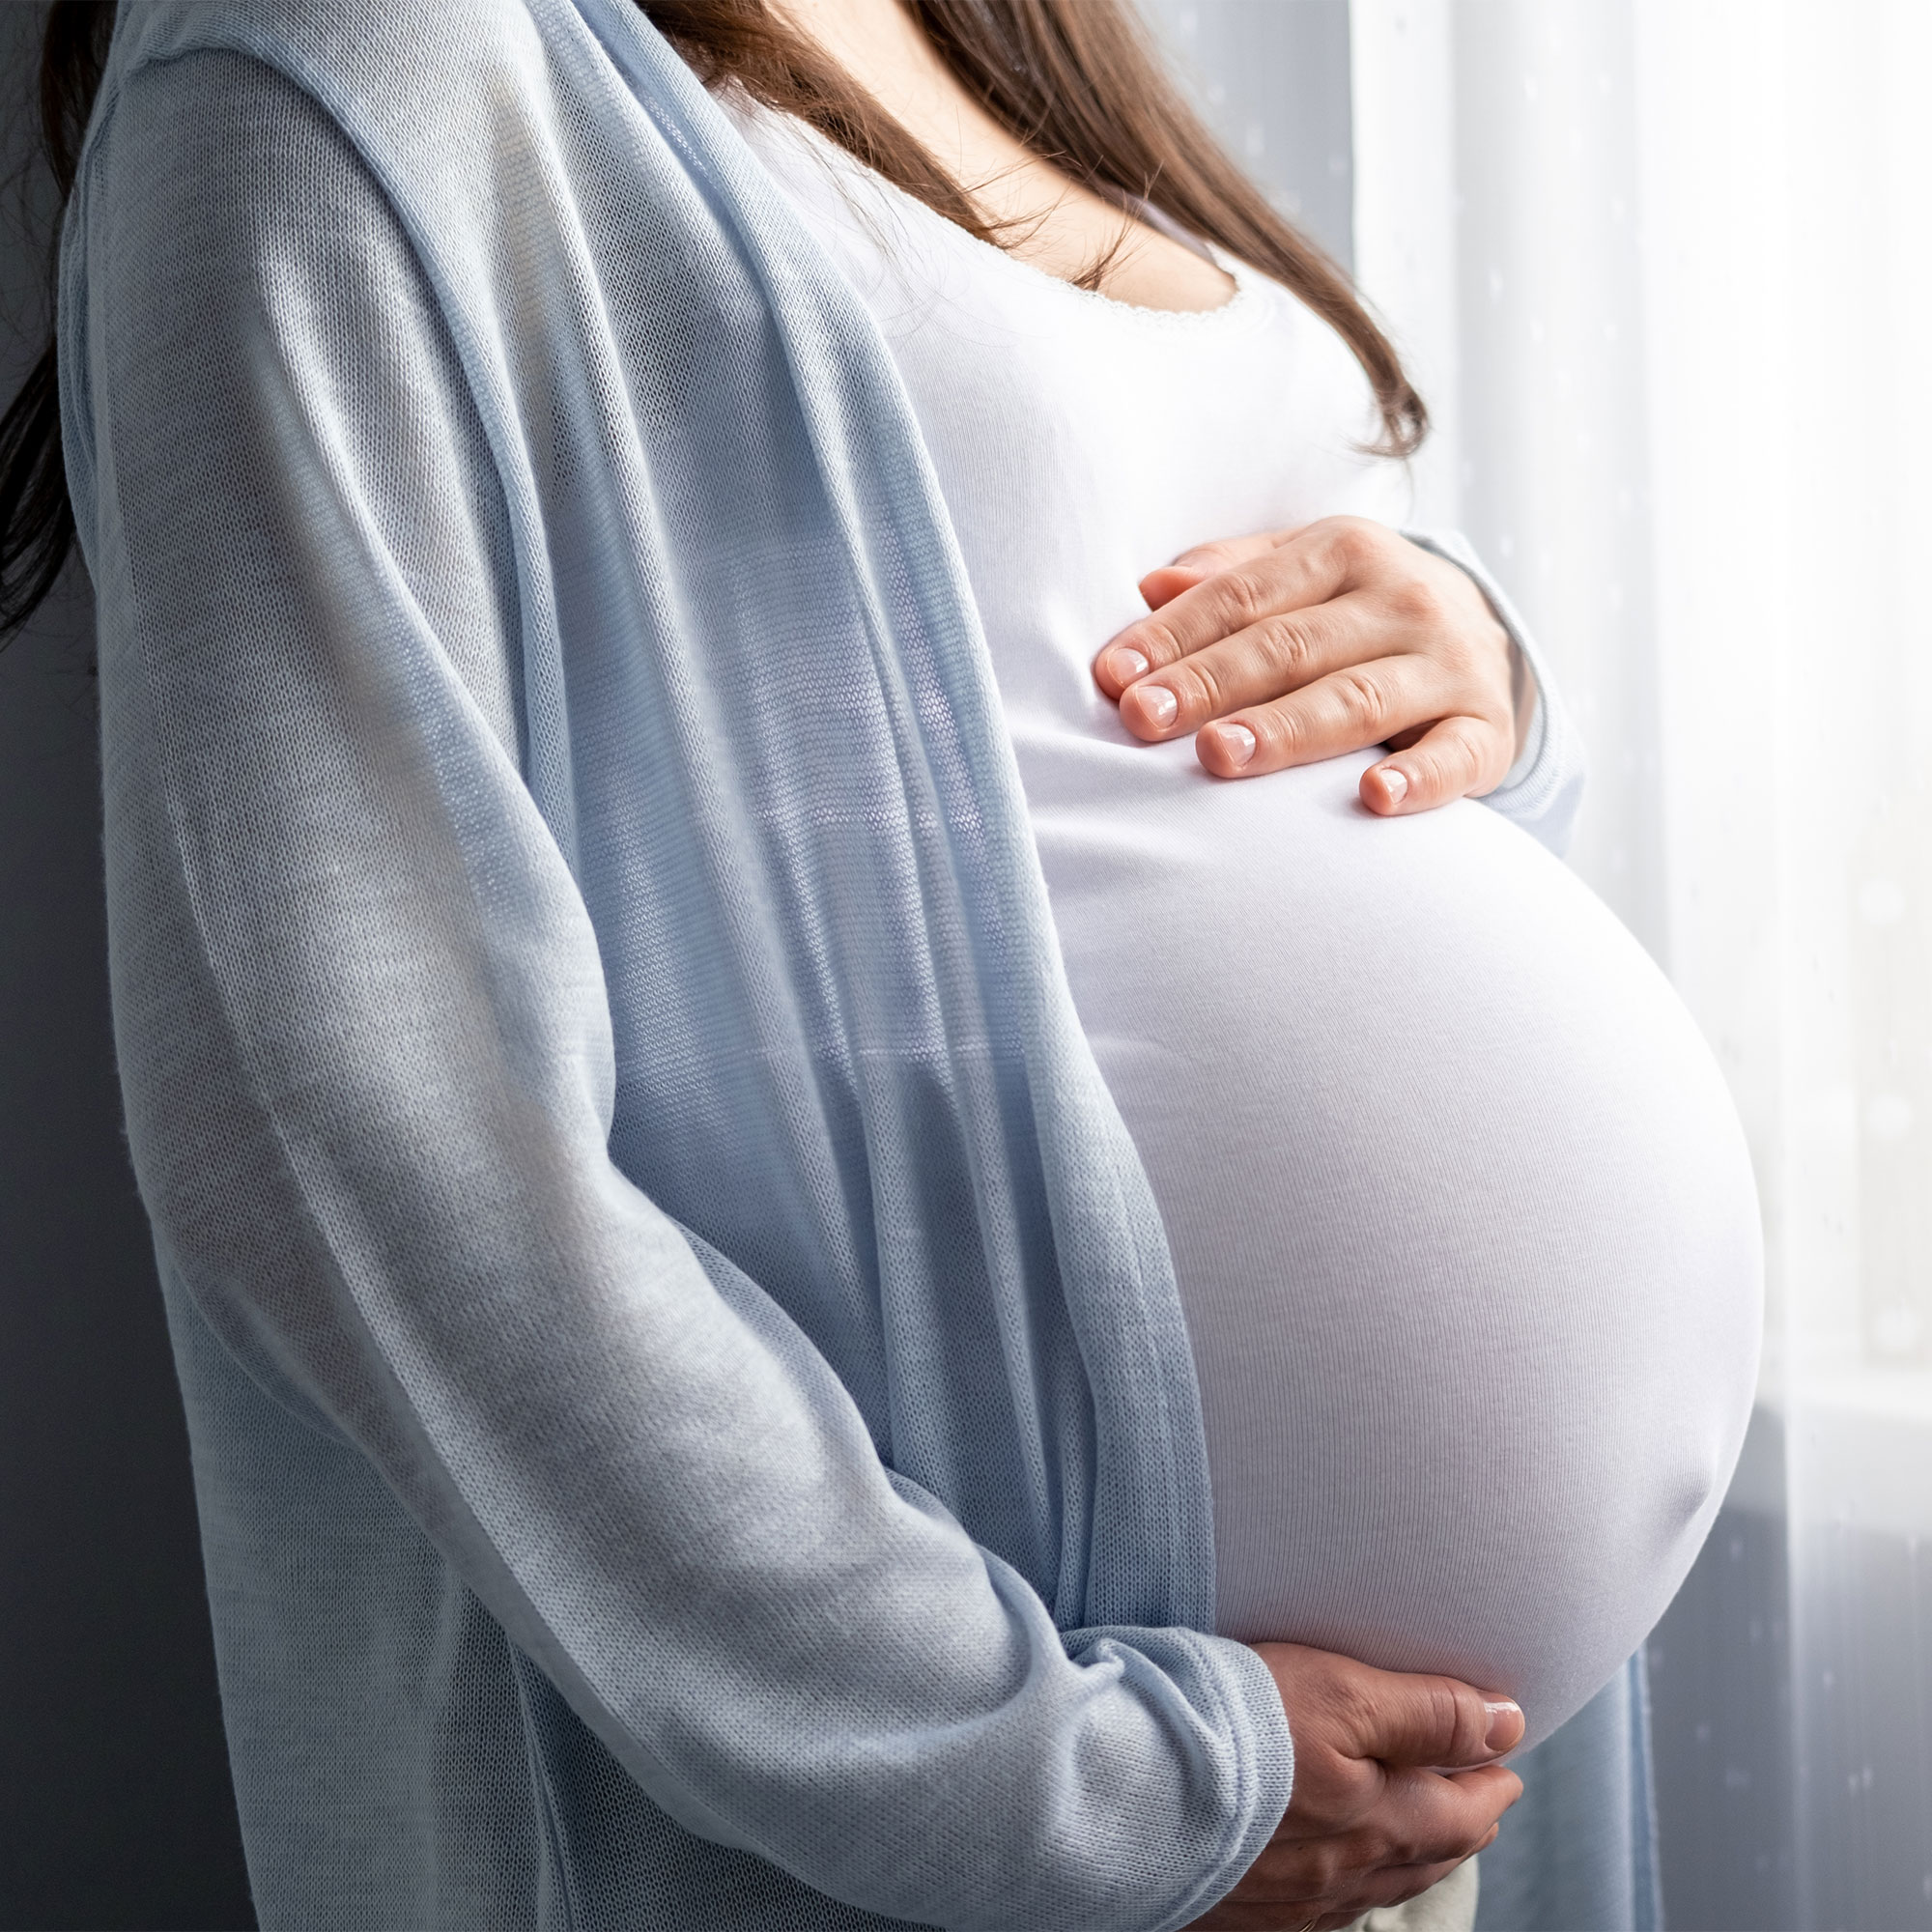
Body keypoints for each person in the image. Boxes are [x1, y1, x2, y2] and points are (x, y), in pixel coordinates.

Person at [0, 1, 1760, 1927]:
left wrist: (1476, 668)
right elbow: (349, 1124)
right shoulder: (350, 63)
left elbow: (1191, 680)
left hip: (1330, 1807)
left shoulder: (1006, 31)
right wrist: (1066, 1788)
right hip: (940, 1817)